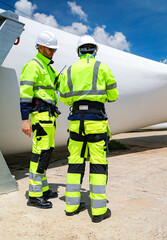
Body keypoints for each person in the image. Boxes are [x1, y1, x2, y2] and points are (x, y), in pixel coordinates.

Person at [58, 35, 119, 222]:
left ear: (78, 51)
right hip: (96, 122)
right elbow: (113, 95)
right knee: (98, 164)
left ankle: (71, 206)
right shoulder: (103, 68)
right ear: (94, 50)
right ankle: (99, 212)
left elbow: (65, 98)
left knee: (75, 163)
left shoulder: (69, 70)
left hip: (76, 122)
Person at [19, 31, 60, 209]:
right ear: (41, 47)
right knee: (39, 155)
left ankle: (42, 189)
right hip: (40, 117)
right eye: (50, 50)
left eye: (54, 50)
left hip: (49, 118)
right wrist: (24, 120)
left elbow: (59, 86)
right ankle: (34, 196)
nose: (53, 53)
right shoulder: (33, 66)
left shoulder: (49, 68)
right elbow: (25, 95)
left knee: (46, 153)